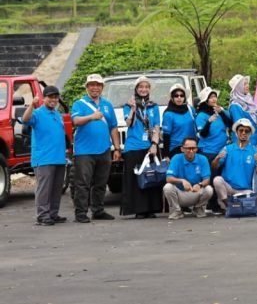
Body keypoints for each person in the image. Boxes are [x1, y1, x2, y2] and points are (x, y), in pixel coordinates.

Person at [70, 73, 120, 223]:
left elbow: (113, 127)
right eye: (92, 85)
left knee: (101, 182)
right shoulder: (79, 104)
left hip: (104, 149)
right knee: (82, 183)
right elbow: (76, 121)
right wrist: (91, 117)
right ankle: (81, 213)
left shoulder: (107, 105)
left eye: (98, 85)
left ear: (102, 87)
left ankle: (98, 210)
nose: (95, 88)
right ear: (87, 87)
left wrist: (117, 148)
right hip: (84, 151)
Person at [22, 85, 68, 226]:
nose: (53, 100)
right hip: (43, 158)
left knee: (56, 188)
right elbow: (25, 119)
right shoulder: (37, 113)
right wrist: (32, 104)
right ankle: (42, 215)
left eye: (56, 97)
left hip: (59, 158)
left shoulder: (57, 114)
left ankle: (53, 213)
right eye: (50, 97)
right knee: (44, 188)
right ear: (44, 98)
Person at [120, 76, 164, 219]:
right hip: (133, 146)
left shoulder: (153, 106)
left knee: (151, 176)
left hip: (149, 146)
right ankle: (138, 209)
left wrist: (154, 144)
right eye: (140, 87)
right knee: (136, 178)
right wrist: (133, 108)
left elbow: (156, 126)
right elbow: (129, 124)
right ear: (136, 89)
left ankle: (151, 208)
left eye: (146, 87)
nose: (143, 89)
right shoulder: (128, 105)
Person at [212, 119, 257, 212]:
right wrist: (216, 159)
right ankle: (228, 205)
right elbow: (214, 167)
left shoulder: (254, 150)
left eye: (247, 131)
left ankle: (236, 206)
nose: (244, 133)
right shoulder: (227, 148)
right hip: (229, 189)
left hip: (245, 190)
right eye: (241, 130)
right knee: (217, 180)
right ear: (236, 132)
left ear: (250, 134)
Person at [163, 137, 214, 220]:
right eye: (188, 148)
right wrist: (182, 180)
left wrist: (199, 184)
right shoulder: (176, 158)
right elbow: (168, 178)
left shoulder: (203, 159)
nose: (191, 151)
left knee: (209, 189)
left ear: (197, 149)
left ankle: (198, 208)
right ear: (182, 149)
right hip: (180, 193)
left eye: (193, 148)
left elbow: (207, 180)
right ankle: (177, 211)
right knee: (167, 187)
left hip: (195, 192)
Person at [195, 87, 232, 165]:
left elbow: (230, 124)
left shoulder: (219, 110)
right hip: (209, 151)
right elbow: (203, 134)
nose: (214, 99)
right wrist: (209, 122)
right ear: (206, 100)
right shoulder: (201, 115)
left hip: (222, 149)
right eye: (211, 97)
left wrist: (221, 112)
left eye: (215, 96)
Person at [161, 84, 195, 157]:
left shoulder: (190, 109)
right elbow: (166, 135)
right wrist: (166, 155)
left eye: (181, 95)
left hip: (192, 147)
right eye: (176, 96)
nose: (179, 98)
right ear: (172, 98)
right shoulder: (168, 114)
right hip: (176, 148)